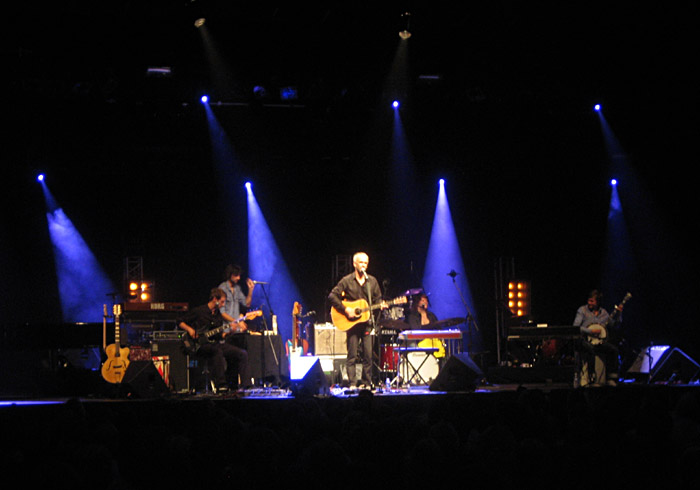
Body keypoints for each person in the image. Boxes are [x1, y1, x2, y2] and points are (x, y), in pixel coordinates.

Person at [328, 252, 385, 387]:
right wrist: (346, 309)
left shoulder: (372, 281)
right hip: (352, 324)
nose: (364, 265)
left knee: (368, 355)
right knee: (352, 354)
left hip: (366, 322)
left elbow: (377, 299)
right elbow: (332, 296)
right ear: (354, 264)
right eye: (361, 262)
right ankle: (352, 383)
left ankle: (366, 383)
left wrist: (380, 305)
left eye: (366, 263)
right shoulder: (346, 280)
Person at [178, 288, 250, 392]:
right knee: (217, 351)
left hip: (214, 343)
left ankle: (245, 386)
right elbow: (179, 321)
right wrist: (190, 329)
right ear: (215, 299)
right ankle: (221, 384)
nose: (223, 304)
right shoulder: (199, 311)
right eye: (222, 302)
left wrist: (230, 332)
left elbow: (219, 335)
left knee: (242, 353)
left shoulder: (218, 316)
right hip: (199, 345)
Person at [573, 289, 623, 386]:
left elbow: (613, 326)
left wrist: (619, 314)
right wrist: (590, 331)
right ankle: (591, 377)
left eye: (592, 301)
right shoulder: (582, 310)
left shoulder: (604, 313)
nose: (589, 303)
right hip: (584, 340)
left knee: (614, 350)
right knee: (590, 349)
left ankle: (612, 377)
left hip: (598, 342)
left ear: (598, 302)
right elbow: (576, 327)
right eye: (589, 300)